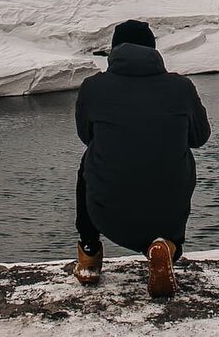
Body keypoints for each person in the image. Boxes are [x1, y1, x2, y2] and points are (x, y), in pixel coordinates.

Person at [73, 20, 210, 299]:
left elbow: (86, 135)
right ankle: (164, 247)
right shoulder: (181, 87)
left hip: (108, 207)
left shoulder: (93, 88)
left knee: (91, 158)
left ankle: (89, 255)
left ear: (114, 51)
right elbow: (200, 137)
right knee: (179, 159)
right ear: (153, 50)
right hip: (168, 205)